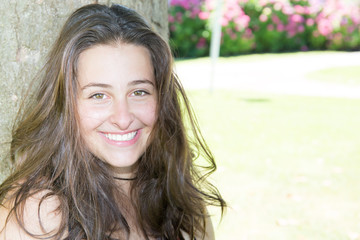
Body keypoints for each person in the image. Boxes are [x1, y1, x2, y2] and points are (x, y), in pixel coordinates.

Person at [0, 3, 225, 240]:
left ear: (162, 99)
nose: (123, 118)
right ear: (67, 106)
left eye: (139, 92)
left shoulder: (183, 205)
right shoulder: (38, 216)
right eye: (98, 95)